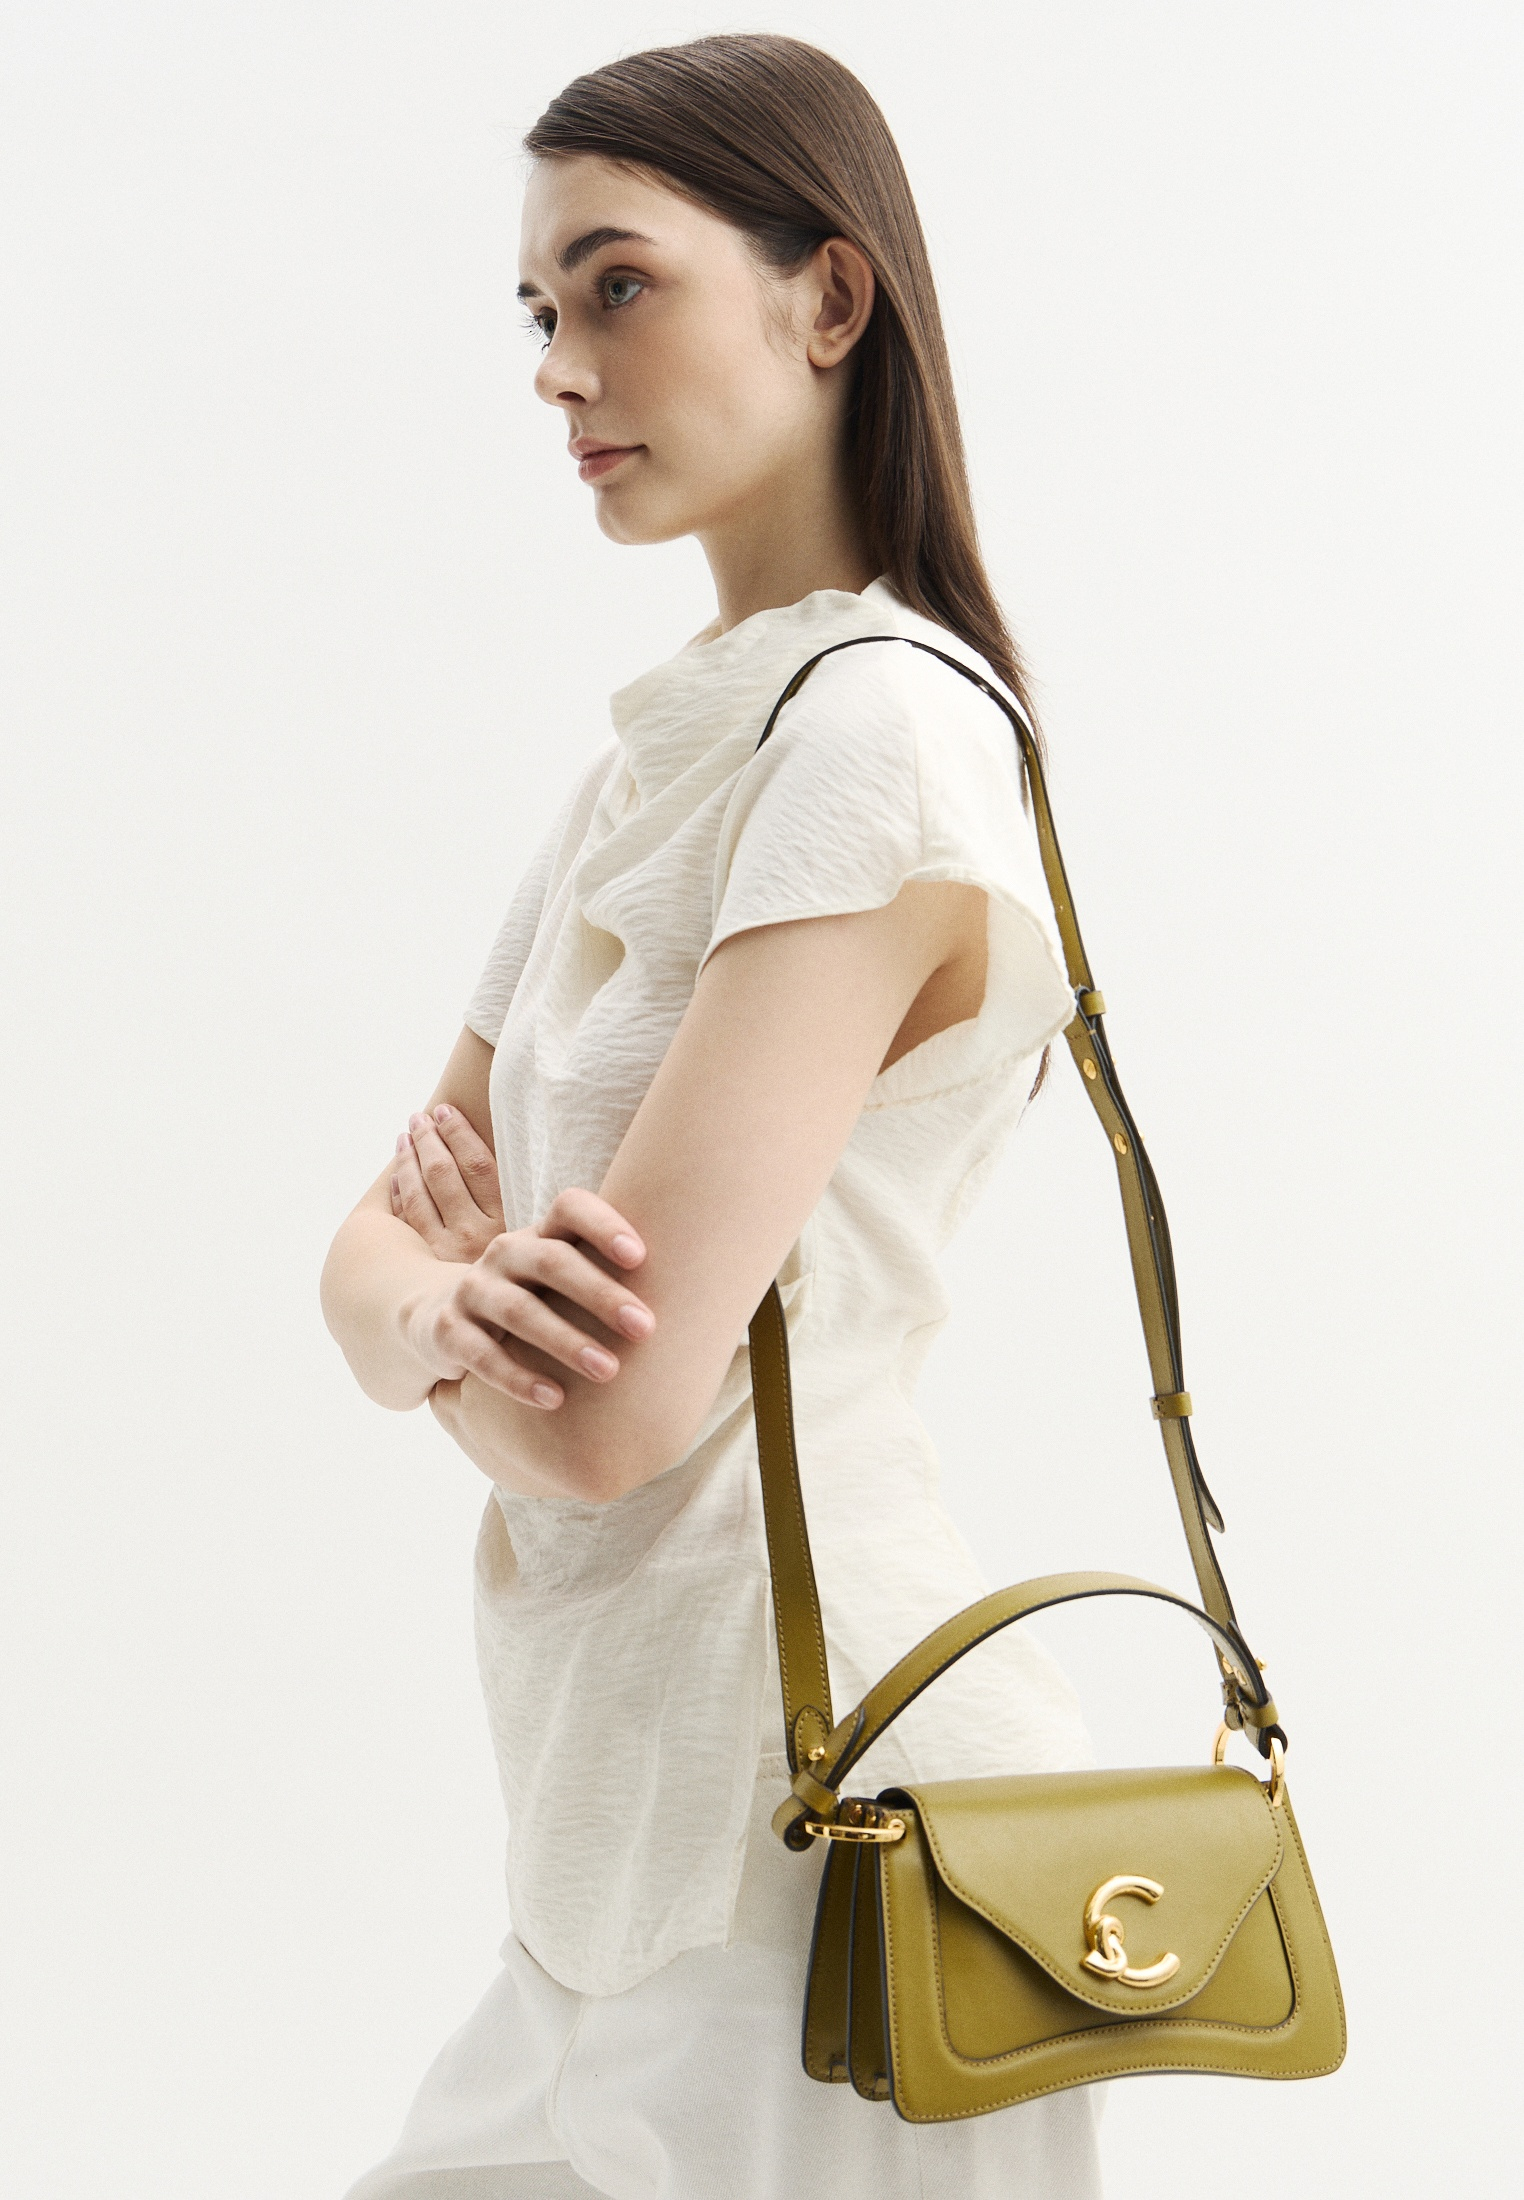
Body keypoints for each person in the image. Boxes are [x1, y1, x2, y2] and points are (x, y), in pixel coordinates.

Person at [322, 33, 1105, 2199]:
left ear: (829, 295)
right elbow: (367, 1249)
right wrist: (446, 1309)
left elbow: (612, 1415)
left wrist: (442, 1321)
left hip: (839, 1851)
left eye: (619, 284)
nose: (559, 367)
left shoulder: (880, 744)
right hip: (612, 1834)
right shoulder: (653, 763)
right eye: (537, 309)